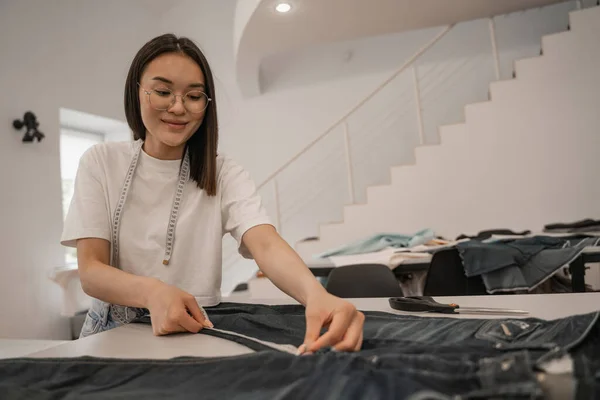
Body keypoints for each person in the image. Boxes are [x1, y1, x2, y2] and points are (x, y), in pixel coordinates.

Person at [61, 34, 364, 354]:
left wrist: (314, 294)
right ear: (136, 91)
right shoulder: (101, 161)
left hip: (194, 331)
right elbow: (91, 271)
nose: (178, 107)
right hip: (113, 331)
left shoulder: (223, 172)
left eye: (193, 96)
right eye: (163, 92)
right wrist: (152, 292)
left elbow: (264, 242)